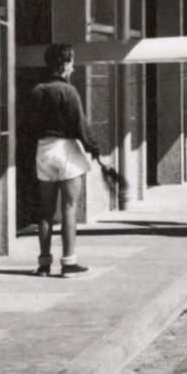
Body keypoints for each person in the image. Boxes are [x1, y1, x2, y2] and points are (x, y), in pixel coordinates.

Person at [27, 42, 125, 276]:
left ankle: (43, 264)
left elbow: (28, 127)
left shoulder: (37, 90)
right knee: (69, 208)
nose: (73, 68)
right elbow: (81, 126)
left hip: (44, 150)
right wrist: (97, 153)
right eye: (71, 63)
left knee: (45, 212)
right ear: (63, 64)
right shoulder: (68, 91)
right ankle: (69, 263)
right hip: (66, 151)